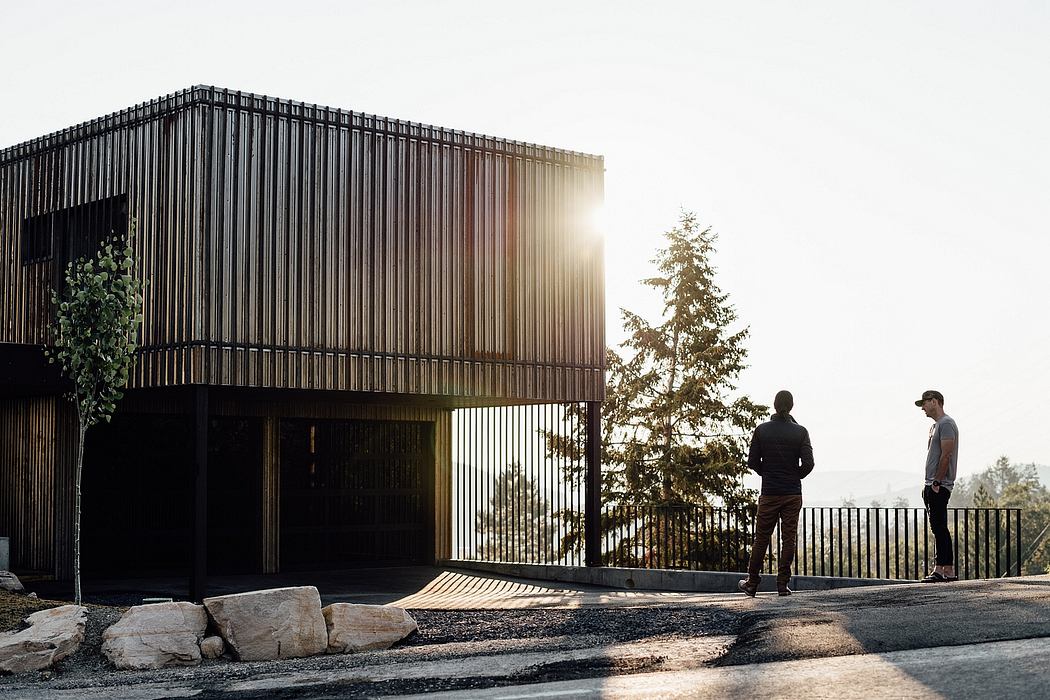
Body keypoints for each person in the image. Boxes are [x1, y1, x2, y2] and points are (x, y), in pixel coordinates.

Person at [739, 390, 815, 597]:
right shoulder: (801, 431)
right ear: (791, 406)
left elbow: (752, 461)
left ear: (774, 405)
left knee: (761, 538)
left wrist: (767, 473)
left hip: (770, 492)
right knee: (788, 539)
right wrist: (794, 475)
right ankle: (782, 585)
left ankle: (752, 583)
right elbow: (809, 463)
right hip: (792, 493)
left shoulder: (762, 430)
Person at [916, 389, 958, 582]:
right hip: (932, 484)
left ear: (935, 402)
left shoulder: (946, 424)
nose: (922, 408)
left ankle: (940, 569)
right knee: (938, 527)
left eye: (924, 403)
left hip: (938, 484)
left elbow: (946, 454)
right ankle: (947, 570)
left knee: (939, 527)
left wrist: (937, 482)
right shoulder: (935, 426)